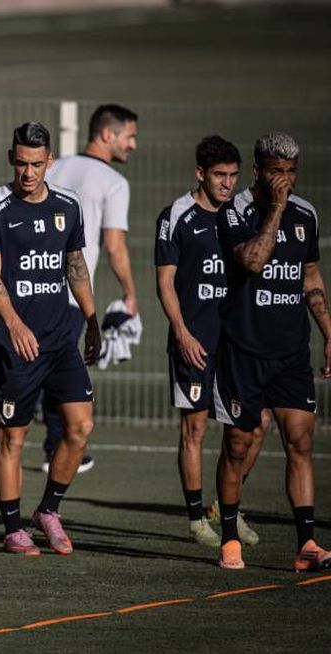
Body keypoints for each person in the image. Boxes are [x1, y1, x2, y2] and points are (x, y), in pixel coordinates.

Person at [0, 104, 138, 474]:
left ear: (46, 162)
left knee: (41, 371)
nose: (133, 145)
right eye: (129, 136)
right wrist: (130, 294)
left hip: (28, 293)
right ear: (107, 134)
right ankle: (43, 448)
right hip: (64, 297)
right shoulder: (113, 183)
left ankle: (17, 444)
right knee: (47, 369)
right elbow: (115, 246)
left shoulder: (59, 166)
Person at [0, 122, 100, 557]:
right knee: (13, 437)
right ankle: (13, 529)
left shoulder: (68, 204)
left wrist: (92, 319)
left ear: (50, 162)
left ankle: (48, 510)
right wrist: (14, 324)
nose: (29, 173)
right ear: (12, 158)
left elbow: (75, 265)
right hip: (12, 346)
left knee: (80, 427)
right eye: (22, 163)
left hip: (60, 341)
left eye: (37, 164)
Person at [213, 132, 331, 571]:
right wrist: (277, 209)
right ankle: (229, 538)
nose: (285, 180)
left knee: (300, 440)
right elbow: (252, 261)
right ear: (258, 171)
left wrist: (328, 332)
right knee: (238, 444)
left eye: (291, 172)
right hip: (243, 351)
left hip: (291, 351)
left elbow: (310, 274)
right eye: (277, 171)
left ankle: (307, 544)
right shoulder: (235, 212)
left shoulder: (306, 214)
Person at [155, 135, 264, 548]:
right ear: (200, 173)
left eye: (233, 175)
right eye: (219, 175)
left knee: (254, 426)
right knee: (195, 429)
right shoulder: (177, 216)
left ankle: (226, 506)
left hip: (238, 343)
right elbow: (165, 282)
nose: (227, 183)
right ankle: (196, 519)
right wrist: (182, 332)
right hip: (195, 342)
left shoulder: (242, 215)